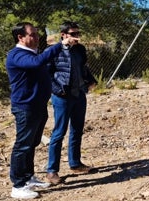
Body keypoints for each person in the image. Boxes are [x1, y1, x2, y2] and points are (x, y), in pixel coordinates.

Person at [6, 22, 77, 199]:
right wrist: (61, 45)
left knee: (32, 143)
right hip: (25, 108)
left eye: (37, 34)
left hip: (38, 106)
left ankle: (28, 177)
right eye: (32, 35)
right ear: (20, 37)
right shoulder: (17, 55)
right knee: (23, 145)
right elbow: (38, 62)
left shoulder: (31, 53)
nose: (37, 37)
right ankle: (18, 185)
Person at [46, 21, 97, 185]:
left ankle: (75, 163)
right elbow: (46, 74)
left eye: (77, 33)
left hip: (79, 94)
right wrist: (57, 90)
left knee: (77, 130)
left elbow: (83, 67)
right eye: (73, 34)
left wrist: (90, 81)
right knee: (59, 132)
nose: (77, 37)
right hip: (62, 97)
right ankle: (52, 171)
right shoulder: (53, 51)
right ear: (63, 35)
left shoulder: (80, 49)